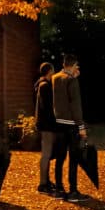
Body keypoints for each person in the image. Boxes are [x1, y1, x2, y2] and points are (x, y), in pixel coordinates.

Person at [52, 53, 90, 202]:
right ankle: (73, 191)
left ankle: (59, 190)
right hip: (71, 125)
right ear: (73, 65)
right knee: (73, 158)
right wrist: (81, 126)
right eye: (76, 66)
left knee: (60, 158)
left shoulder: (55, 78)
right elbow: (75, 105)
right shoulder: (72, 81)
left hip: (59, 123)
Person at [34, 62, 62, 195]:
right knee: (46, 154)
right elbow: (48, 108)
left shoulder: (42, 85)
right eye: (53, 70)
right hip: (47, 125)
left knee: (47, 153)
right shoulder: (45, 86)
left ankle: (46, 181)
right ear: (49, 71)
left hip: (45, 125)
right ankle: (42, 183)